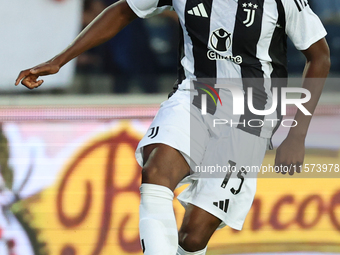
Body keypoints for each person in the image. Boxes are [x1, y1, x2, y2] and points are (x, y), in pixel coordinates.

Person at [15, 0, 330, 254]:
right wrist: (60, 59)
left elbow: (320, 57)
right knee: (156, 171)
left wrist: (296, 134)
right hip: (197, 93)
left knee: (193, 238)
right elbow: (124, 9)